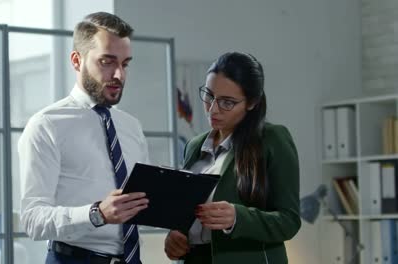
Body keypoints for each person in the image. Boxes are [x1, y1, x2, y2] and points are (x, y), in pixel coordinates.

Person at [18, 12, 149, 264]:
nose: (119, 75)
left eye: (125, 63)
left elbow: (137, 205)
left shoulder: (131, 127)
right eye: (107, 62)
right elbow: (33, 219)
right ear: (77, 60)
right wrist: (97, 214)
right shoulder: (46, 125)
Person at [164, 52, 301, 264]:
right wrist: (176, 236)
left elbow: (289, 221)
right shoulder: (194, 145)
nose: (213, 109)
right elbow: (188, 215)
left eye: (227, 102)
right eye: (209, 96)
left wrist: (237, 218)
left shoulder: (272, 139)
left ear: (252, 102)